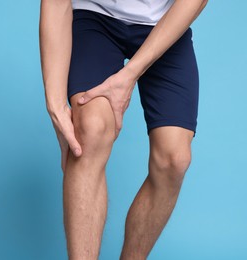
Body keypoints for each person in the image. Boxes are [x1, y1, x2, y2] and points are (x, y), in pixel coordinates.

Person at [39, 0, 208, 259]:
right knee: (90, 130)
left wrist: (129, 75)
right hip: (96, 17)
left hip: (164, 22)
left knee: (174, 159)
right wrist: (55, 106)